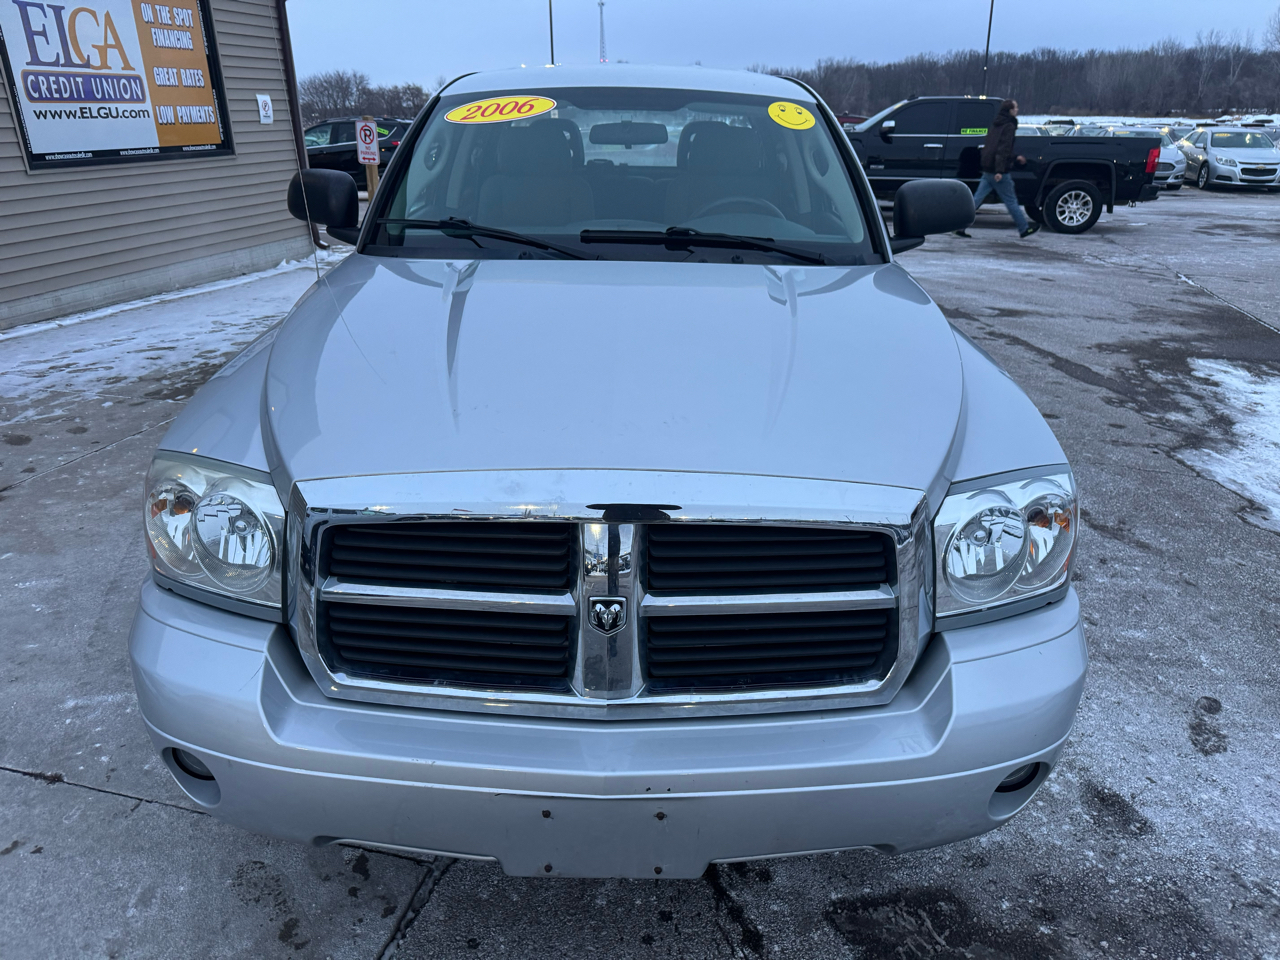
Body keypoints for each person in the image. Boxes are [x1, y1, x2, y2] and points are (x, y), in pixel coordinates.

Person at [955, 99, 1040, 239]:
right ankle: (1024, 229)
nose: (1017, 110)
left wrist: (1013, 158)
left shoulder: (996, 124)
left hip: (988, 168)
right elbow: (1003, 149)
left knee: (976, 199)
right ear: (1010, 110)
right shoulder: (1009, 126)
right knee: (1011, 201)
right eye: (1015, 108)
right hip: (998, 171)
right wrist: (999, 170)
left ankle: (959, 226)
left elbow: (992, 147)